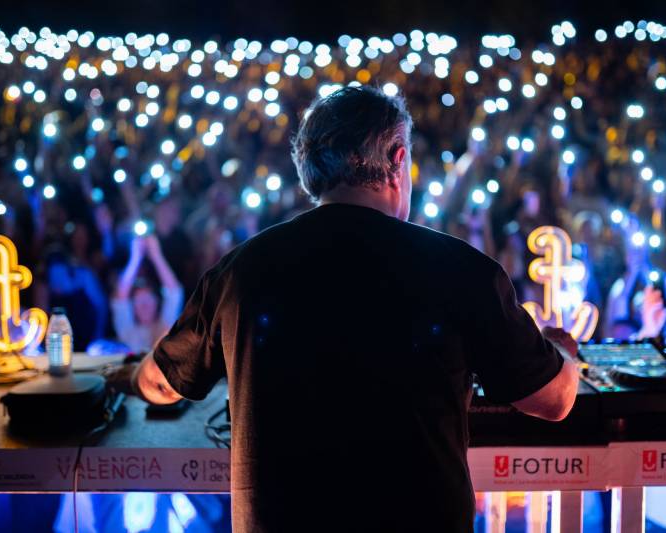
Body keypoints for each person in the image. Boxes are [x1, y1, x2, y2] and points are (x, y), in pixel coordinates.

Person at [130, 86, 579, 533]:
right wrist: (565, 355)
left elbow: (162, 382)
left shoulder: (240, 271)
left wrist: (129, 374)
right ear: (399, 159)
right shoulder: (462, 270)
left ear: (308, 171)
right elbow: (552, 401)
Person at [111, 234, 184, 353]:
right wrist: (135, 259)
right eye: (139, 301)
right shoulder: (127, 329)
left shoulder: (166, 323)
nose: (144, 305)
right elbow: (120, 299)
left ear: (157, 302)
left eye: (148, 299)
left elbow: (174, 292)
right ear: (132, 306)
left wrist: (156, 255)